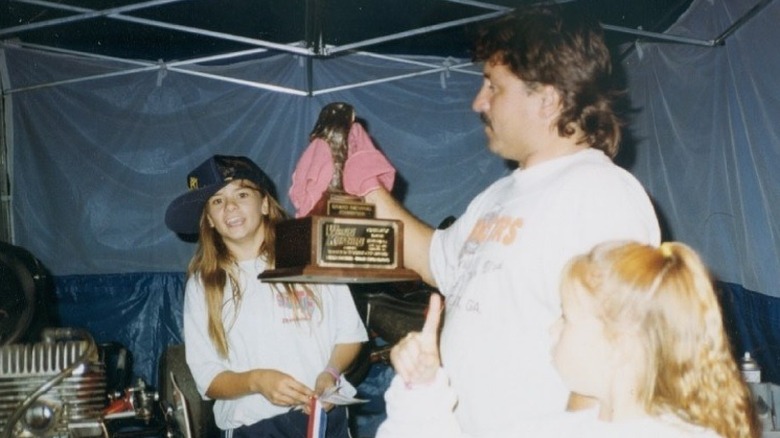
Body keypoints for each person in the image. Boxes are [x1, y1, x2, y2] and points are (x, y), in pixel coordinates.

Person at [360, 4, 661, 435]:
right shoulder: (498, 195)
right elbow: (433, 259)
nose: (478, 102)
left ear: (549, 100)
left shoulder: (600, 196)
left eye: (493, 86)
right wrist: (369, 188)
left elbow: (620, 364)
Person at [376, 241, 759, 438]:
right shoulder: (569, 428)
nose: (553, 328)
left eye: (567, 315)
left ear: (621, 345)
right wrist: (422, 389)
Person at [165, 155, 368, 438]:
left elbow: (349, 335)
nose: (231, 206)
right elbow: (207, 378)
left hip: (324, 418)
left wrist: (331, 374)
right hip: (253, 427)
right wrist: (256, 381)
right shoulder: (203, 284)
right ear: (209, 220)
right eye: (217, 201)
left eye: (242, 193)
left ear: (264, 203)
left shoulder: (309, 255)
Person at [289, 102, 396, 218]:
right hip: (334, 195)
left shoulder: (326, 141)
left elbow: (303, 172)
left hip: (339, 195)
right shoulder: (324, 142)